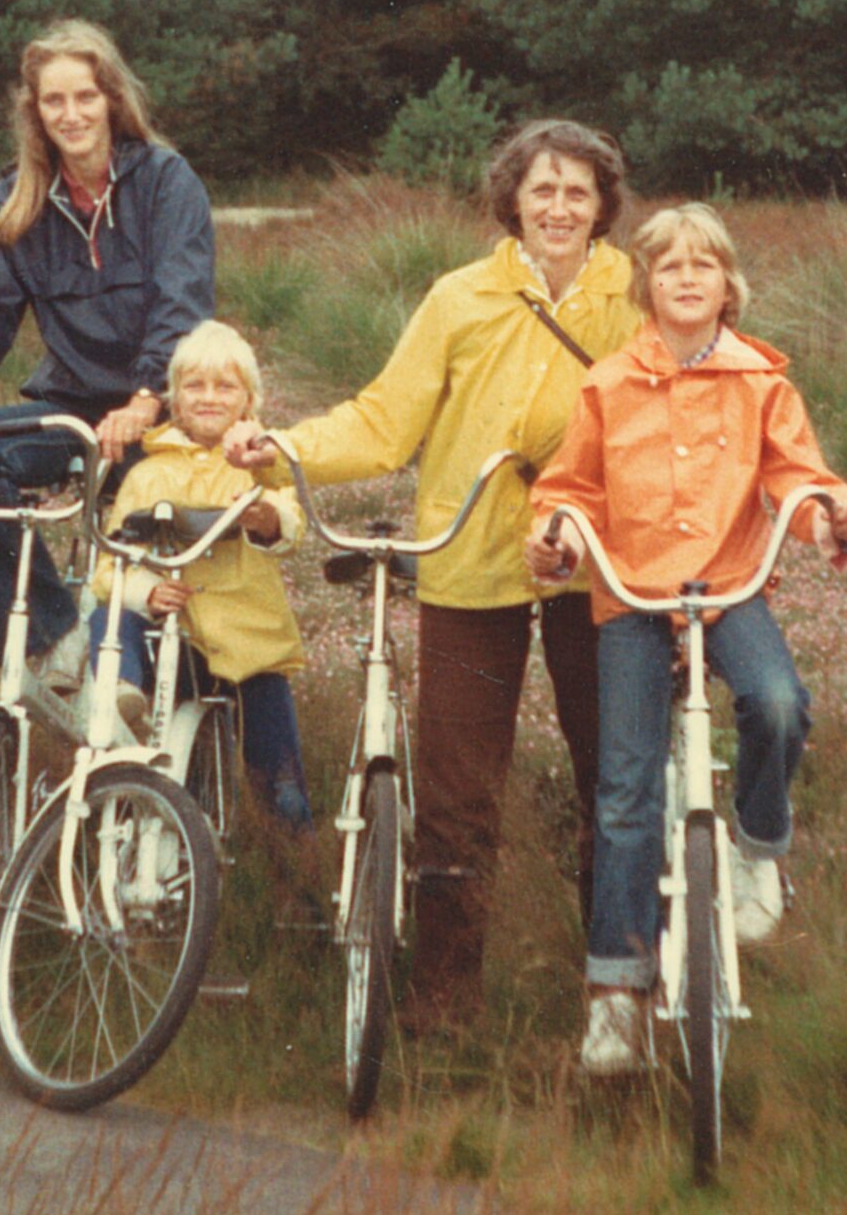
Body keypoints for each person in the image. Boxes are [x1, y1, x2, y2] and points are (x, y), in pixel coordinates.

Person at [227, 120, 641, 1025]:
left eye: (578, 191)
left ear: (603, 204)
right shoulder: (461, 297)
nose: (560, 207)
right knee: (456, 793)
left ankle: (619, 990)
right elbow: (383, 420)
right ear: (512, 202)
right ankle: (444, 999)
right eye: (543, 190)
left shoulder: (637, 299)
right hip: (469, 562)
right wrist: (281, 448)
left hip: (599, 565)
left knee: (614, 782)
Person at [524, 201, 847, 1076]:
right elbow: (571, 488)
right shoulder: (608, 383)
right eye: (670, 266)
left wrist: (834, 512)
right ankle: (616, 996)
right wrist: (560, 532)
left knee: (779, 703)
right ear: (647, 285)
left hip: (727, 589)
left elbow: (800, 477)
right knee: (626, 793)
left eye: (704, 266)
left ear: (728, 285)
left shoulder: (761, 382)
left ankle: (758, 849)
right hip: (633, 595)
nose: (687, 278)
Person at [0, 21, 214, 693]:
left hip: (164, 410)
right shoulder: (13, 200)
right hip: (71, 409)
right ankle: (56, 643)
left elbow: (182, 302)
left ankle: (187, 694)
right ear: (35, 111)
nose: (72, 114)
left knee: (170, 563)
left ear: (112, 97)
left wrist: (148, 396)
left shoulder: (164, 181)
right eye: (54, 101)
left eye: (85, 96)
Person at [89, 319, 313, 827]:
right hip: (179, 641)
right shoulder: (150, 473)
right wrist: (147, 592)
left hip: (252, 644)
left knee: (281, 788)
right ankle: (117, 700)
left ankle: (296, 891)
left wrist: (266, 518)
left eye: (225, 386)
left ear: (248, 401)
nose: (208, 398)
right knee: (108, 616)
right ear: (173, 397)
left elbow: (291, 522)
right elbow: (110, 567)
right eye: (194, 386)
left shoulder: (262, 464)